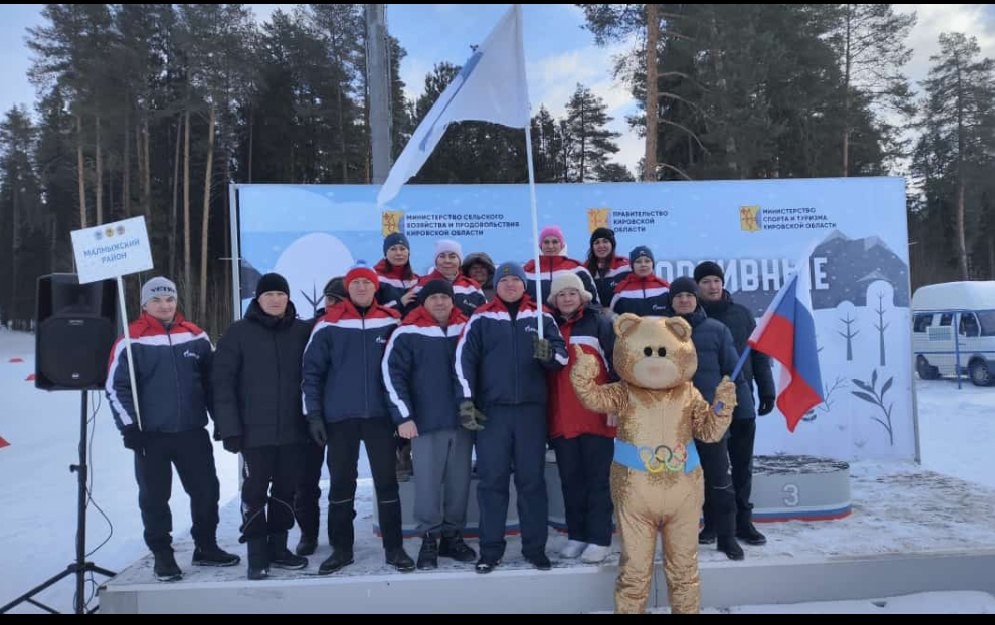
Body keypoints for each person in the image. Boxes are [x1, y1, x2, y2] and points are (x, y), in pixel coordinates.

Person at [106, 277, 239, 582]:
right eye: (157, 300)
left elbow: (212, 384)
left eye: (169, 299)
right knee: (155, 497)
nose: (164, 305)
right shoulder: (131, 339)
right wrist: (129, 427)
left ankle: (206, 546)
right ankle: (163, 555)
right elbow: (116, 387)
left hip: (192, 431)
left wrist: (221, 419)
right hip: (151, 435)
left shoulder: (195, 336)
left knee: (206, 491)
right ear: (144, 305)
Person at [302, 262, 416, 575]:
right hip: (340, 418)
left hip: (381, 418)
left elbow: (405, 370)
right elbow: (311, 373)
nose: (362, 288)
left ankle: (394, 548)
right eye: (356, 284)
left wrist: (403, 414)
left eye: (367, 283)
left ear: (375, 288)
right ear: (348, 290)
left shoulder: (392, 321)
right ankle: (341, 549)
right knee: (341, 485)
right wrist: (313, 415)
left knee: (387, 483)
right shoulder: (328, 325)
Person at [456, 261, 568, 573]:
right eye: (504, 281)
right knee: (492, 482)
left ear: (523, 285)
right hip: (493, 414)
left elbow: (562, 356)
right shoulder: (482, 317)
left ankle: (535, 549)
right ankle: (490, 550)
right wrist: (466, 400)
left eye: (515, 280)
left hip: (531, 413)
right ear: (496, 286)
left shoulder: (542, 316)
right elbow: (464, 361)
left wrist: (549, 356)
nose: (510, 285)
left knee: (531, 481)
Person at [213, 272, 312, 580]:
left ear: (288, 298)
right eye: (269, 295)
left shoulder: (303, 331)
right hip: (253, 432)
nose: (275, 300)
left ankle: (279, 548)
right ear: (257, 299)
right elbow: (221, 383)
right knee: (254, 492)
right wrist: (229, 428)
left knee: (286, 491)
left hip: (294, 431)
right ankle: (257, 553)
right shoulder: (238, 333)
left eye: (280, 295)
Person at [383, 280, 477, 570]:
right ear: (423, 302)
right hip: (424, 423)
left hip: (463, 422)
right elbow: (391, 374)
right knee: (427, 484)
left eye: (444, 297)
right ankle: (429, 537)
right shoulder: (407, 331)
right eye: (433, 297)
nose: (439, 302)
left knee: (459, 483)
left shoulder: (469, 329)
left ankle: (452, 535)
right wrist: (404, 417)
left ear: (453, 301)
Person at [694, 261, 775, 546]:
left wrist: (767, 390)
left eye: (716, 280)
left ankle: (744, 522)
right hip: (706, 407)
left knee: (741, 466)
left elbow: (759, 356)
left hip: (741, 403)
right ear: (697, 287)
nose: (712, 286)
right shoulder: (691, 320)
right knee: (711, 468)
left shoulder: (741, 314)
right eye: (706, 282)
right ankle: (713, 523)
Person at [665, 276, 744, 560]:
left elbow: (733, 373)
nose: (684, 300)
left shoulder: (716, 330)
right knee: (676, 484)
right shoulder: (660, 332)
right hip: (672, 423)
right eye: (678, 296)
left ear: (697, 299)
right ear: (670, 301)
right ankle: (682, 537)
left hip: (708, 418)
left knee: (719, 480)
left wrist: (727, 407)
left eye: (689, 295)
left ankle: (726, 536)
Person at [545, 273, 616, 564]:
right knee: (570, 480)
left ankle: (600, 538)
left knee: (598, 480)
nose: (567, 299)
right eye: (561, 295)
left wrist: (614, 404)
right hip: (562, 417)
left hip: (596, 416)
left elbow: (616, 364)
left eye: (572, 293)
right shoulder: (548, 325)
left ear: (582, 296)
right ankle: (578, 535)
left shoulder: (599, 323)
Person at [294, 276, 347, 556]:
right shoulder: (306, 328)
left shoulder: (352, 327)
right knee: (306, 479)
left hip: (342, 414)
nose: (333, 304)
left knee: (341, 478)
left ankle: (341, 533)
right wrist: (310, 412)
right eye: (330, 298)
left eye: (340, 299)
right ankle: (308, 533)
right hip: (311, 414)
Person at [523, 225, 599, 306]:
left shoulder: (577, 270)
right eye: (546, 242)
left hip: (571, 318)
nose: (550, 246)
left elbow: (594, 302)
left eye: (555, 242)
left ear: (562, 245)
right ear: (540, 245)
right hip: (539, 318)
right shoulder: (528, 271)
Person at [410, 239, 486, 317]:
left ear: (460, 261)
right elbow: (412, 315)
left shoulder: (472, 286)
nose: (447, 261)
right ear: (436, 261)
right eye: (442, 256)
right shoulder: (421, 284)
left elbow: (483, 317)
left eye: (452, 257)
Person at [610, 246, 671, 317]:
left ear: (652, 264)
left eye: (647, 261)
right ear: (632, 266)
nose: (643, 265)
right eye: (638, 262)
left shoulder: (665, 289)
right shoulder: (621, 292)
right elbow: (615, 320)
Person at [585, 227, 630, 310]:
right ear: (592, 247)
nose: (601, 245)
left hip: (621, 317)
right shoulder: (584, 270)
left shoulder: (625, 267)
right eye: (597, 242)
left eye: (605, 241)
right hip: (594, 318)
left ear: (612, 245)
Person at [376, 232, 420, 313]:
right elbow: (372, 311)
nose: (398, 253)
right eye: (393, 249)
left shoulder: (416, 280)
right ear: (385, 253)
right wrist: (399, 303)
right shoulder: (376, 278)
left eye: (402, 249)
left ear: (408, 253)